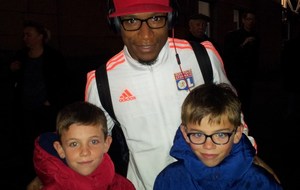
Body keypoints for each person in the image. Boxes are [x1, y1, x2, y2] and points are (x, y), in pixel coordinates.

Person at [27, 1, 277, 189]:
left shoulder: (201, 56)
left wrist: (250, 157)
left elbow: (233, 114)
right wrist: (50, 175)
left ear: (170, 19)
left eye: (156, 18)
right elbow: (87, 140)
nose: (145, 35)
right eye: (131, 21)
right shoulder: (102, 80)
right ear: (116, 24)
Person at [154, 83, 282, 190]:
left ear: (237, 133)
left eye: (220, 135)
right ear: (185, 133)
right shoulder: (169, 180)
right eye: (198, 134)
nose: (208, 146)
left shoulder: (259, 183)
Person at [9, 20, 69, 186]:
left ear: (40, 37)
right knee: (26, 144)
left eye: (29, 34)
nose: (25, 38)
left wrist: (53, 100)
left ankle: (49, 174)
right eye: (24, 35)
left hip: (45, 111)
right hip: (25, 109)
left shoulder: (53, 57)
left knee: (46, 143)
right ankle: (29, 175)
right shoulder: (21, 57)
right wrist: (12, 70)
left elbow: (63, 82)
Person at [33, 101, 135, 189]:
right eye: (74, 144)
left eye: (93, 142)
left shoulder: (123, 185)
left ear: (106, 144)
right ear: (60, 149)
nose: (85, 152)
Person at [223, 10, 260, 123]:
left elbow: (256, 56)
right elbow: (229, 54)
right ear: (243, 20)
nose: (251, 22)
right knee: (235, 97)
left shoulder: (256, 36)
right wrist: (244, 44)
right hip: (236, 73)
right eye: (248, 19)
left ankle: (245, 119)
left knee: (247, 98)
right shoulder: (234, 35)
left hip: (249, 74)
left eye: (253, 19)